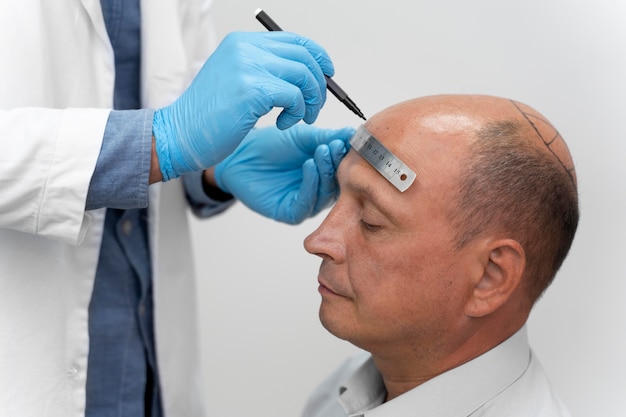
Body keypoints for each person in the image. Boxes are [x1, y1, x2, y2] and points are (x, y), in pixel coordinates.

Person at [0, 1, 353, 417]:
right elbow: (168, 132)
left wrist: (213, 169)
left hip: (147, 368)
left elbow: (186, 112)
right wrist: (158, 141)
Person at [302, 94, 578, 416]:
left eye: (371, 221)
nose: (317, 240)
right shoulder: (345, 391)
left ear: (489, 277)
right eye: (339, 195)